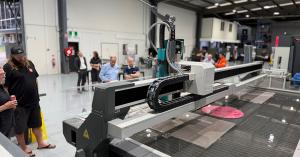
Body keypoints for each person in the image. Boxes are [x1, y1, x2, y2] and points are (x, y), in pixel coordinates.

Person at [4, 46, 56, 157]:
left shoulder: (29, 63)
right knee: (20, 127)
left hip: (34, 101)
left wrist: (36, 94)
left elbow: (34, 79)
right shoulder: (8, 67)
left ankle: (41, 143)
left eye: (22, 54)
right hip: (20, 104)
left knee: (37, 123)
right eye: (18, 56)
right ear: (12, 56)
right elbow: (5, 87)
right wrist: (10, 101)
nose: (21, 57)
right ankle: (23, 148)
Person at [0, 66, 17, 138]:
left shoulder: (2, 87)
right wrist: (6, 106)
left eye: (4, 73)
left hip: (7, 126)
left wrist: (12, 105)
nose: (4, 75)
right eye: (1, 74)